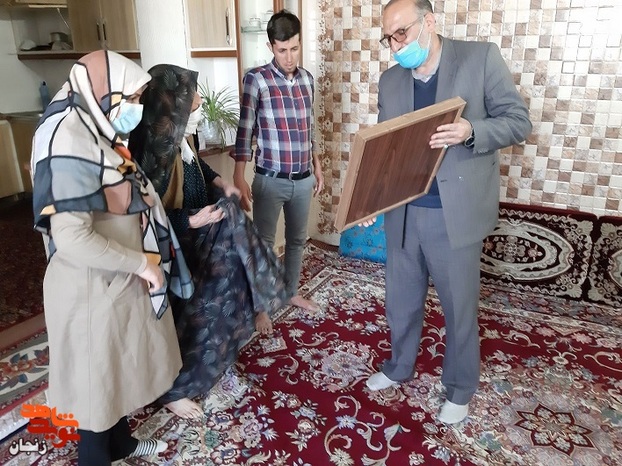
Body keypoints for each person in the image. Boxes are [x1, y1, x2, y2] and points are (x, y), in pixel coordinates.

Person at [365, 0, 532, 424]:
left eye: (401, 34)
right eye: (388, 38)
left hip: (452, 213)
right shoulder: (390, 80)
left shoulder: (480, 59)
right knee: (401, 301)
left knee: (459, 308)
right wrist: (369, 199)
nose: (395, 46)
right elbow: (386, 148)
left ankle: (460, 387)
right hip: (403, 213)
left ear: (429, 21)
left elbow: (518, 121)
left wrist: (472, 130)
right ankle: (399, 366)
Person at [30, 50, 193, 466]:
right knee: (95, 396)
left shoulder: (93, 127)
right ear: (105, 93)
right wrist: (141, 264)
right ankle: (100, 455)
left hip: (110, 279)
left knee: (113, 377)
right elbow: (71, 237)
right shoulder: (66, 139)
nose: (135, 108)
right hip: (89, 288)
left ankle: (122, 445)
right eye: (132, 98)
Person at [129, 64, 289, 419]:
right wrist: (191, 220)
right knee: (183, 320)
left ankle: (216, 358)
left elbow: (197, 166)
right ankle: (172, 390)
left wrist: (221, 184)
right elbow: (140, 218)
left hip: (199, 237)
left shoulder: (181, 138)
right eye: (194, 102)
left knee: (222, 296)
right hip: (174, 248)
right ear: (172, 107)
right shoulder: (149, 153)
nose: (200, 106)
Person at [233, 10, 325, 312]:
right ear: (271, 46)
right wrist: (238, 175)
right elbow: (245, 130)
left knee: (297, 240)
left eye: (294, 48)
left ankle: (290, 293)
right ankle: (260, 307)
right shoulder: (256, 80)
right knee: (263, 244)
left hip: (303, 179)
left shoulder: (307, 80)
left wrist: (317, 165)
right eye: (282, 50)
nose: (289, 57)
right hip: (270, 180)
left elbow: (310, 127)